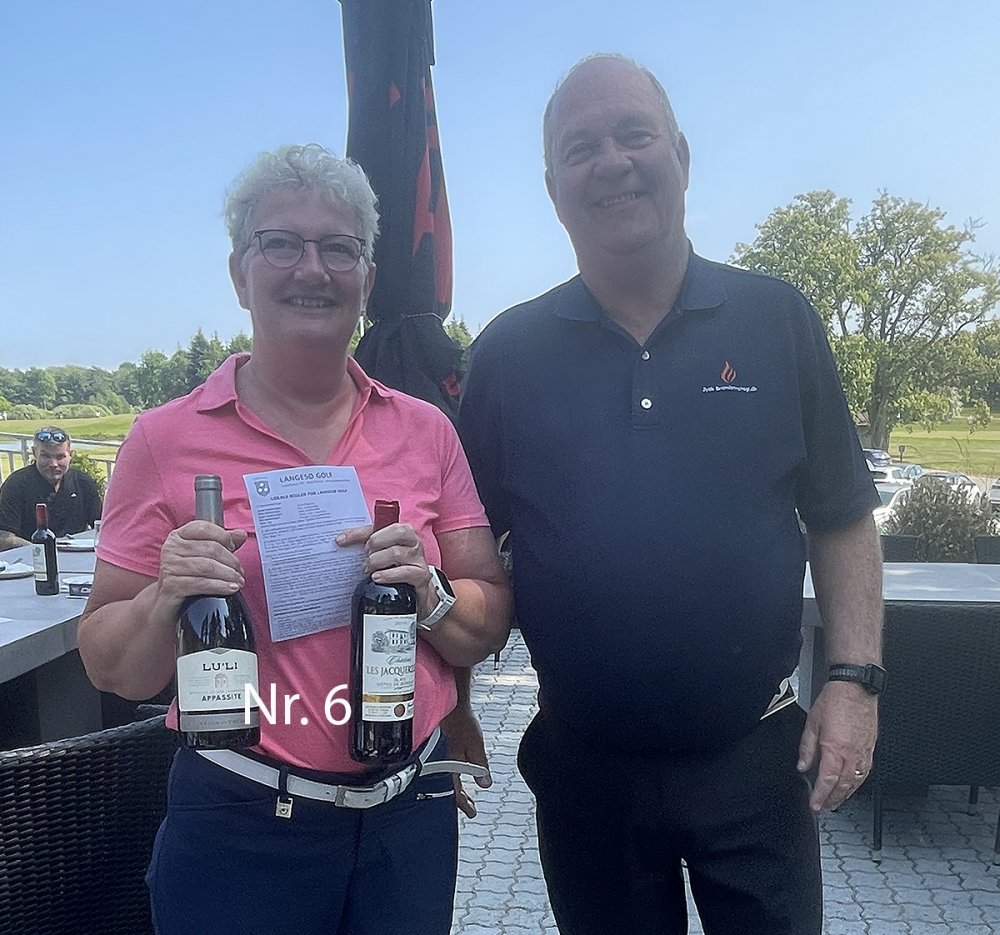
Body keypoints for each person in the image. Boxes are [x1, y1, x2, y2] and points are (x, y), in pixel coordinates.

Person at [458, 55, 883, 935]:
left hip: (757, 758)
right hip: (584, 768)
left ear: (680, 156)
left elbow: (842, 516)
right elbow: (466, 553)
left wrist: (853, 683)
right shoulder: (507, 354)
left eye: (634, 134)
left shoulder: (778, 320)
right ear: (553, 187)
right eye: (581, 148)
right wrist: (449, 701)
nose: (611, 161)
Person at [77, 143, 512, 935]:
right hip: (240, 827)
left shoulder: (427, 432)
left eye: (338, 248)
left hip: (408, 821)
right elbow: (112, 666)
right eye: (280, 243)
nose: (312, 268)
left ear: (367, 278)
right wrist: (163, 596)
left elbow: (487, 621)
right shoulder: (163, 441)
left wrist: (432, 592)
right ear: (239, 273)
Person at [0, 426, 102, 550]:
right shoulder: (16, 484)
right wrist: (43, 552)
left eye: (60, 457)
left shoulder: (83, 482)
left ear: (71, 455)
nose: (53, 464)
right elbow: (4, 537)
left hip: (77, 553)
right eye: (46, 456)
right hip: (31, 556)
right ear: (34, 453)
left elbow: (102, 525)